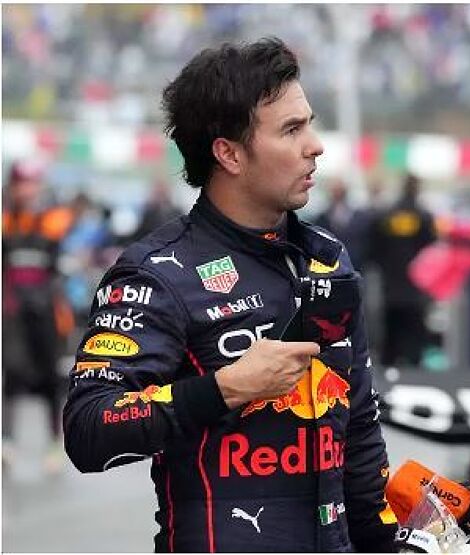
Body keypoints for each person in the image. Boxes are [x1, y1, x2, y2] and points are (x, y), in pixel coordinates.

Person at [63, 37, 398, 552]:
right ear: (229, 153)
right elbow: (89, 428)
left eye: (309, 124)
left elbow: (358, 434)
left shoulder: (328, 258)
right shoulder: (156, 275)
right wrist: (224, 389)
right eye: (292, 129)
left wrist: (386, 544)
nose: (316, 145)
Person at [2, 160, 75, 472]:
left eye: (31, 184)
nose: (26, 190)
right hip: (13, 310)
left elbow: (60, 261)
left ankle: (54, 442)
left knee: (49, 377)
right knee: (12, 372)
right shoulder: (7, 220)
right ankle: (7, 441)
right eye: (21, 184)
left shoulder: (52, 219)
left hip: (46, 309)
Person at [365, 172, 437, 366]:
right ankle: (414, 367)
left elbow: (373, 250)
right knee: (414, 332)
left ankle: (388, 368)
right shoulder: (424, 217)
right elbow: (431, 251)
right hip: (416, 287)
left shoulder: (385, 216)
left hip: (390, 285)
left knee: (391, 331)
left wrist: (383, 268)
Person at [314, 177, 372, 271]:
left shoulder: (359, 216)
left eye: (340, 189)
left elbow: (366, 240)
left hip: (356, 264)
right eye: (335, 190)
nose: (337, 193)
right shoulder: (322, 217)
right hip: (332, 266)